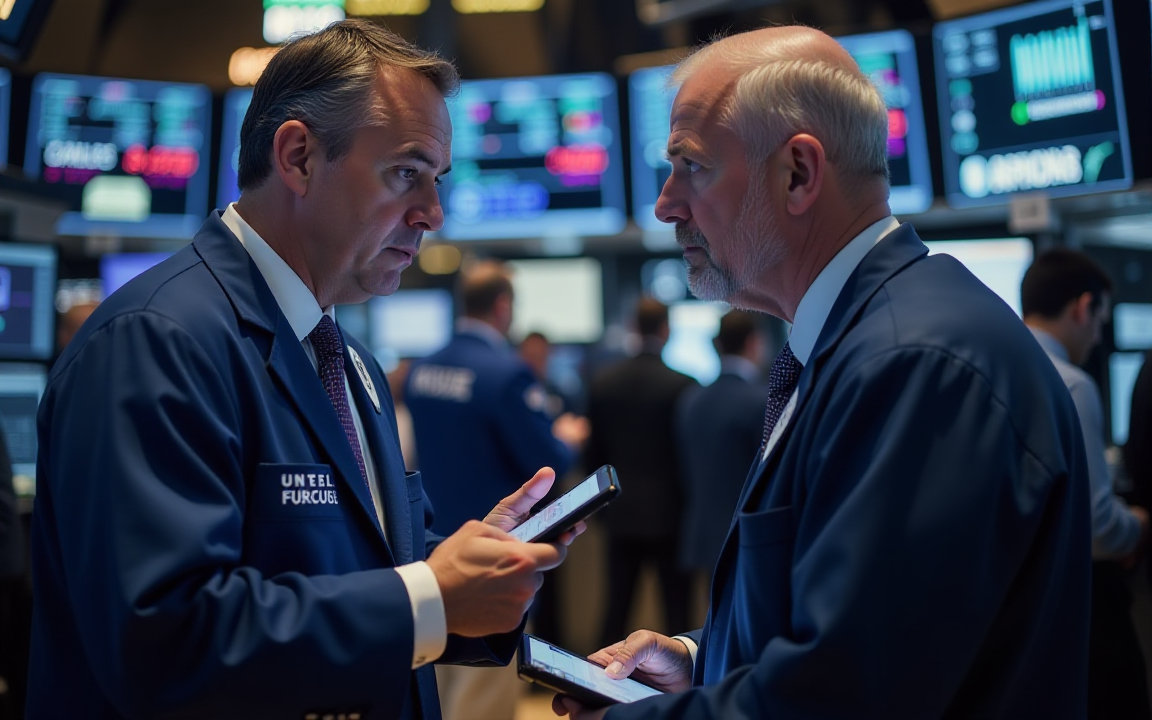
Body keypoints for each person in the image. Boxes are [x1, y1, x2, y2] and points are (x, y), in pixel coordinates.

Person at [29, 21, 582, 720]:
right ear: (298, 158)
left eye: (436, 180)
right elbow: (165, 640)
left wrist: (480, 569)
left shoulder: (347, 360)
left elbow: (360, 567)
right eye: (406, 173)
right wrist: (431, 597)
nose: (433, 214)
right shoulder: (155, 341)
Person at [556, 25, 1091, 720]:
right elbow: (854, 626)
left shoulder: (913, 365)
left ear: (798, 174)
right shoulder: (861, 340)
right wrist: (699, 661)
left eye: (691, 166)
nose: (666, 203)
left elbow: (847, 693)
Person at [406, 261, 588, 720]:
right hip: (492, 550)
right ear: (503, 306)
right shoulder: (508, 374)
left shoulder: (422, 369)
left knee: (437, 687)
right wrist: (566, 439)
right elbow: (546, 461)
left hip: (429, 547)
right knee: (482, 696)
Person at [1022, 249, 1150, 719]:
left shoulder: (992, 364)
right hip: (1079, 609)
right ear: (1082, 308)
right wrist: (1138, 524)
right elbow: (1097, 528)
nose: (1098, 337)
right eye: (1100, 320)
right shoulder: (1072, 385)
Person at [585, 298, 697, 649]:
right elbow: (689, 459)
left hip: (619, 511)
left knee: (616, 610)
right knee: (678, 613)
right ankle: (685, 679)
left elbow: (593, 455)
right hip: (671, 515)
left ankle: (599, 677)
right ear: (666, 329)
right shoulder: (684, 385)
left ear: (634, 328)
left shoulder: (604, 382)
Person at [674, 310, 767, 578]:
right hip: (751, 535)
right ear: (753, 342)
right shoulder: (762, 401)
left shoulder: (691, 399)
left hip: (704, 534)